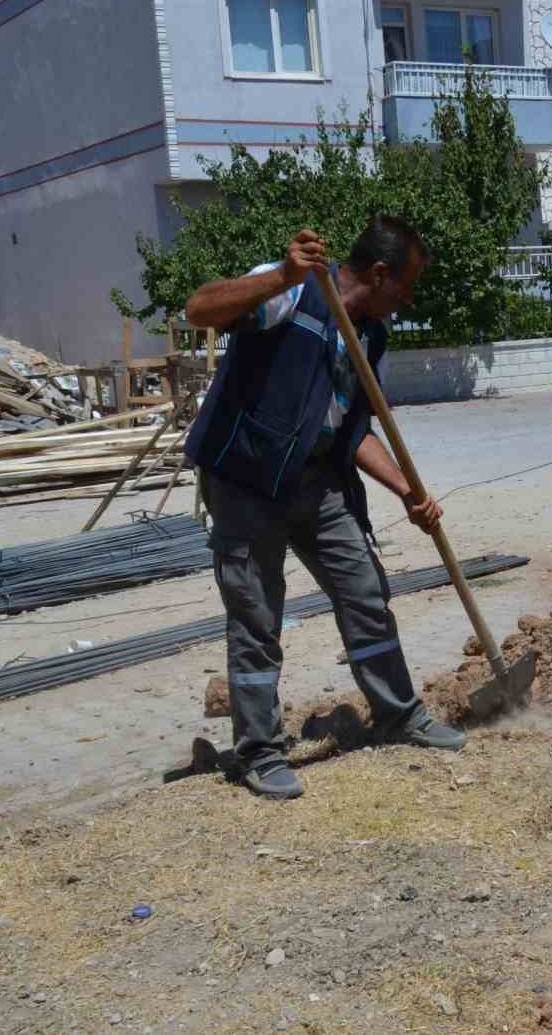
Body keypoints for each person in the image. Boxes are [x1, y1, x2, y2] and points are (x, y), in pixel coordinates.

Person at [183, 216, 465, 799]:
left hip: (317, 481)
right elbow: (199, 308)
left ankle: (397, 713)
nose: (408, 298)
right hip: (247, 479)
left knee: (364, 590)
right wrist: (284, 273)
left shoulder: (367, 337)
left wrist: (409, 491)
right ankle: (259, 752)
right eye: (405, 284)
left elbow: (354, 429)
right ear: (381, 273)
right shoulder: (292, 291)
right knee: (258, 617)